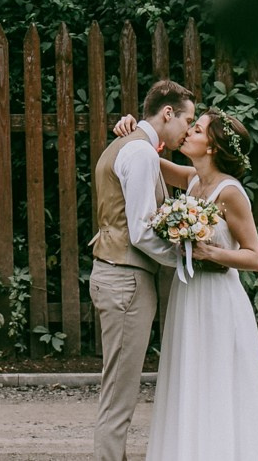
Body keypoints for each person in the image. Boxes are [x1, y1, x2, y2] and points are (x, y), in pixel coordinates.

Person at [113, 108, 258, 460]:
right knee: (189, 382)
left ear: (213, 147)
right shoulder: (192, 179)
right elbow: (148, 156)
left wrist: (209, 253)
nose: (188, 132)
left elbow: (255, 257)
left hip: (219, 300)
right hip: (188, 295)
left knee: (216, 384)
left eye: (198, 130)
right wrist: (133, 129)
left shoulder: (230, 192)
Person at [89, 79, 195, 461]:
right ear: (167, 113)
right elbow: (141, 232)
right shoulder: (141, 153)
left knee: (118, 389)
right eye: (188, 120)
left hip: (116, 275)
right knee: (119, 395)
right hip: (126, 280)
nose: (187, 130)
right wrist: (186, 258)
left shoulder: (128, 143)